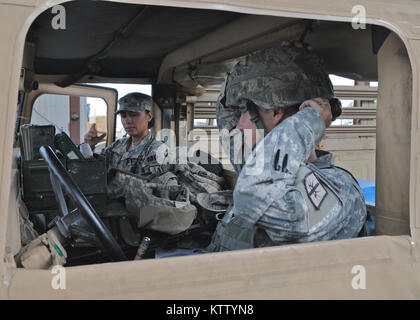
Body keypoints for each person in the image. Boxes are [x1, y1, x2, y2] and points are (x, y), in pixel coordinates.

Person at [207, 42, 367, 252]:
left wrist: (311, 119)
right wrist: (273, 63)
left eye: (245, 111)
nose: (238, 124)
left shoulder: (340, 189)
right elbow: (227, 122)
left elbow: (255, 196)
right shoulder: (263, 167)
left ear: (276, 112)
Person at [84, 92, 177, 187]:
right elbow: (92, 170)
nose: (127, 120)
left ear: (149, 116)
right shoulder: (117, 146)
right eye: (123, 116)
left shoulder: (160, 152)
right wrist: (88, 146)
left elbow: (163, 193)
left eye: (133, 115)